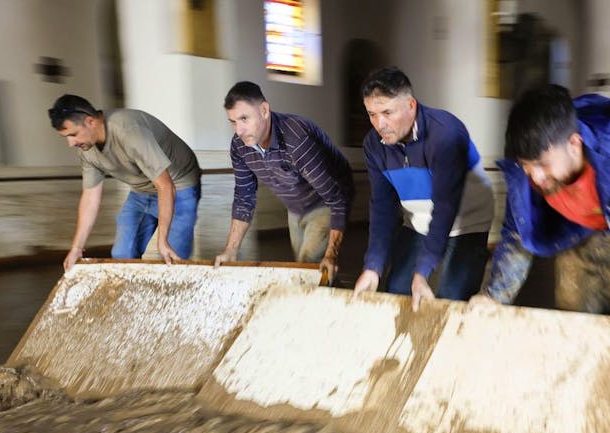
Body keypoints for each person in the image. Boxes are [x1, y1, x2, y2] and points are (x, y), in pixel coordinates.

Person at [471, 84, 610, 333]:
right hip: (576, 233)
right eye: (527, 165)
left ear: (574, 144)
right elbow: (517, 235)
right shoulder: (526, 173)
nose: (537, 177)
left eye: (543, 164)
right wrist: (494, 296)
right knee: (574, 325)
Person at [351, 67, 494, 311]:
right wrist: (372, 267)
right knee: (396, 289)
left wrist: (423, 270)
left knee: (451, 298)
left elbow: (446, 206)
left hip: (467, 220)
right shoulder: (374, 146)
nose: (379, 124)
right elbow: (383, 207)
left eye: (387, 112)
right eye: (372, 114)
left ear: (410, 105)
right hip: (417, 221)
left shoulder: (446, 133)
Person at [215, 82, 353, 282]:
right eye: (233, 122)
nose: (239, 130)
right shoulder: (239, 146)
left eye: (244, 118)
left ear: (264, 110)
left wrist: (331, 254)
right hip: (295, 205)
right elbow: (244, 198)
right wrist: (230, 250)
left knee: (308, 267)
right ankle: (335, 296)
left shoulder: (296, 138)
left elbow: (336, 198)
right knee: (310, 271)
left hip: (325, 199)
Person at [48, 94, 202, 271]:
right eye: (66, 137)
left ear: (90, 121)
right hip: (141, 190)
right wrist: (76, 248)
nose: (70, 143)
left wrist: (162, 240)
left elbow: (166, 185)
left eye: (73, 134)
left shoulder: (128, 130)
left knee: (173, 257)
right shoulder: (86, 149)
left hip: (179, 183)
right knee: (122, 254)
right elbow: (90, 196)